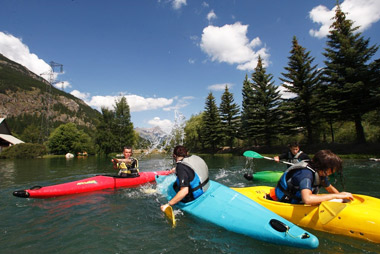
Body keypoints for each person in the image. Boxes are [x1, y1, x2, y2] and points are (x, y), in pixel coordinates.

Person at [272, 149, 353, 205]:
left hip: (299, 201)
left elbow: (329, 188)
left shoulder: (320, 172)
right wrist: (336, 196)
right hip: (284, 202)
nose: (333, 172)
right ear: (325, 167)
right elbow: (307, 199)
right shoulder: (305, 174)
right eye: (332, 170)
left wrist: (341, 196)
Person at [160, 145, 209, 212]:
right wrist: (176, 169)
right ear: (186, 153)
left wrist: (168, 204)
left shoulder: (181, 167)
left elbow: (184, 191)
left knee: (174, 186)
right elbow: (190, 168)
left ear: (174, 156)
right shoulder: (194, 158)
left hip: (194, 197)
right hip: (206, 187)